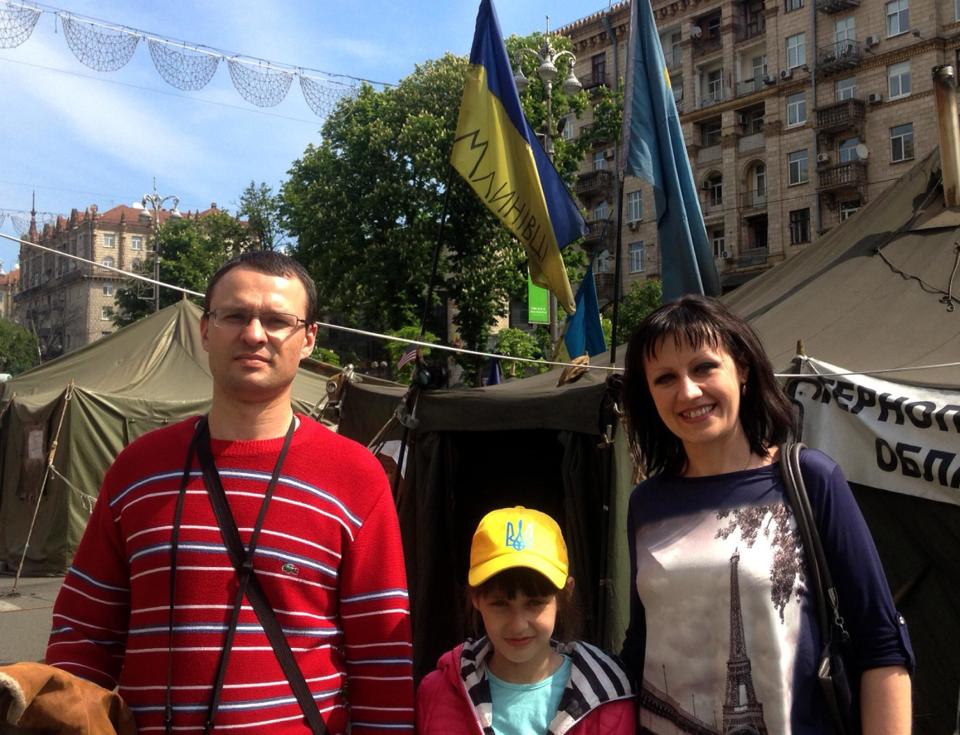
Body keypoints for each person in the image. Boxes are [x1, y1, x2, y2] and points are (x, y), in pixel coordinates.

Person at [45, 251, 413, 733]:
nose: (255, 334)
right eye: (235, 315)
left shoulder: (356, 476)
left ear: (308, 339)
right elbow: (84, 634)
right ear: (204, 330)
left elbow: (382, 657)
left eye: (278, 320)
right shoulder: (137, 471)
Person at [619, 295, 913, 734]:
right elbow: (642, 644)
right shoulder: (646, 504)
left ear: (741, 369)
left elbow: (881, 641)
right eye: (665, 378)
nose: (688, 391)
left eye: (703, 367)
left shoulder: (810, 480)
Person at [416, 506, 635, 734]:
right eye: (500, 604)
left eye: (535, 603)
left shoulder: (608, 700)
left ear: (565, 594)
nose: (518, 624)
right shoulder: (437, 694)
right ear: (476, 598)